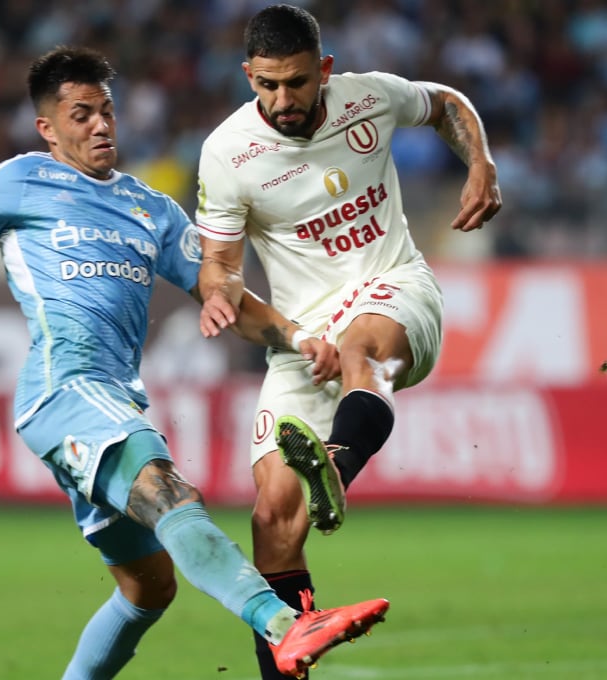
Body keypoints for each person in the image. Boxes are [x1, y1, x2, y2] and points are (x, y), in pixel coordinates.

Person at [0, 46, 388, 679]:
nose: (101, 124)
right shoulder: (16, 182)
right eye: (81, 114)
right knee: (172, 494)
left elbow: (223, 294)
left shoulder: (152, 210)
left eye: (106, 110)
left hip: (112, 397)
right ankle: (284, 624)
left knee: (147, 590)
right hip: (64, 389)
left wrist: (297, 337)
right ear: (47, 128)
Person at [195, 6, 502, 678]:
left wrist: (479, 160)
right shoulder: (227, 153)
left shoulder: (369, 97)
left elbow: (446, 102)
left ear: (324, 70)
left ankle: (334, 462)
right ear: (248, 75)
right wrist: (221, 296)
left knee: (363, 347)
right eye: (268, 85)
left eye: (298, 83)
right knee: (273, 517)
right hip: (301, 336)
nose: (284, 99)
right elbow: (219, 268)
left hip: (394, 288)